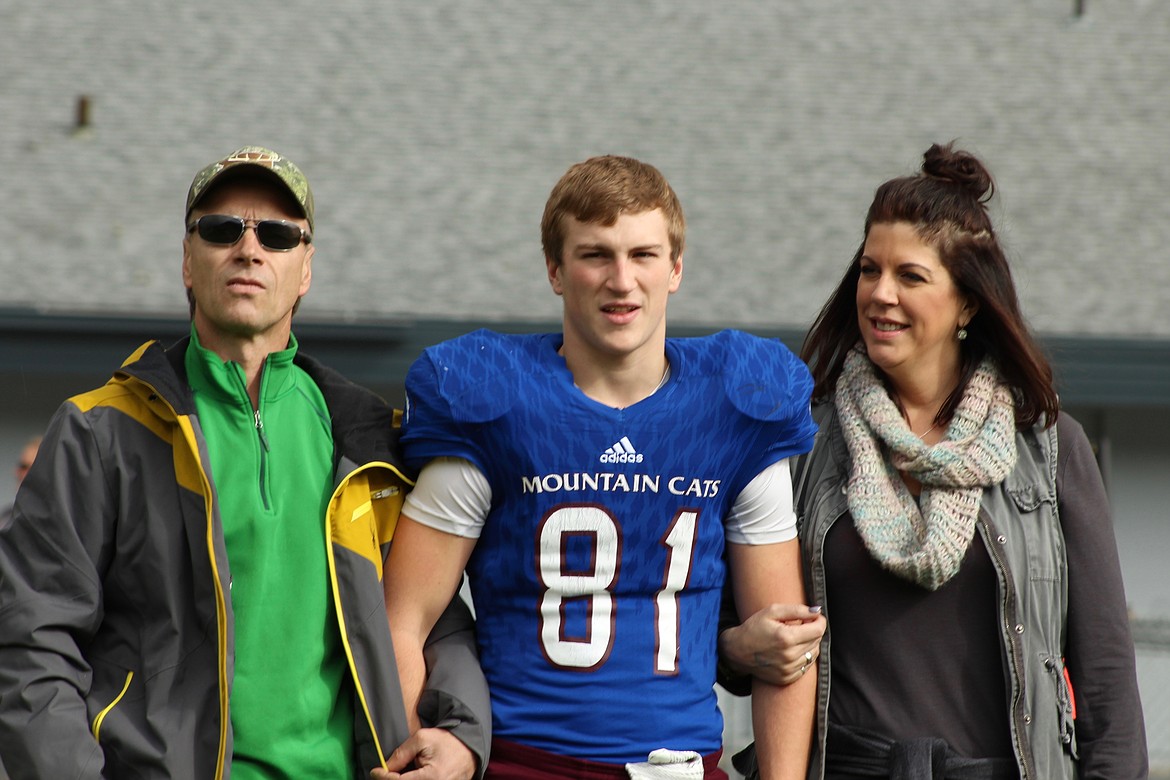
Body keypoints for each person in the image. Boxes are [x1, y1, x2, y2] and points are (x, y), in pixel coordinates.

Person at [0, 147, 489, 779]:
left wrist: (462, 735)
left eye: (279, 235)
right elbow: (29, 642)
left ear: (306, 269)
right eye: (222, 229)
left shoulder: (369, 443)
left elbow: (437, 613)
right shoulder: (100, 432)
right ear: (186, 258)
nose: (249, 249)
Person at [379, 155, 822, 780]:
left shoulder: (735, 405)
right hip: (524, 762)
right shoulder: (495, 401)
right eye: (595, 255)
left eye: (642, 255)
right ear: (557, 272)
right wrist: (405, 752)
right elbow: (403, 619)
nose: (621, 280)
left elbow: (787, 646)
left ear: (675, 269)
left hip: (683, 766)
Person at [719, 143, 1148, 778]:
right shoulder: (801, 441)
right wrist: (738, 649)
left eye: (910, 277)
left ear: (968, 303)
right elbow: (715, 631)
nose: (880, 294)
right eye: (869, 270)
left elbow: (1106, 679)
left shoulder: (1051, 450)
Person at [0, 435, 40, 528]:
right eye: (22, 466)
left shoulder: (53, 524)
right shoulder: (5, 518)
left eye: (32, 468)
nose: (23, 474)